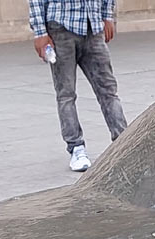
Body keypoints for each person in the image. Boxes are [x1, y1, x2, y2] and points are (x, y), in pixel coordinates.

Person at [29, 0, 129, 172]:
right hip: (61, 27)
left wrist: (107, 16)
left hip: (93, 26)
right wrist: (40, 32)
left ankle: (124, 141)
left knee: (108, 90)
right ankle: (76, 148)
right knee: (66, 94)